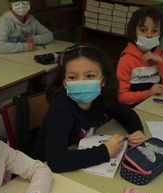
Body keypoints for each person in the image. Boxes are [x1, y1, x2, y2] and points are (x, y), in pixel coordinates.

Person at [33, 44, 145, 173]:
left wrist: (137, 130)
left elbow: (128, 115)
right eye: (72, 77)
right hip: (43, 169)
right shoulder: (61, 109)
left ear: (103, 80)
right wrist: (105, 151)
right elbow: (56, 160)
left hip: (78, 156)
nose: (81, 82)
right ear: (64, 82)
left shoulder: (101, 97)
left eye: (90, 76)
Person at [117, 6, 163, 106]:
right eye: (143, 30)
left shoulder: (160, 54)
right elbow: (122, 97)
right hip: (134, 107)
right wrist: (148, 93)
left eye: (154, 31)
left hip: (155, 104)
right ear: (134, 31)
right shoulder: (126, 59)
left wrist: (161, 62)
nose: (149, 35)